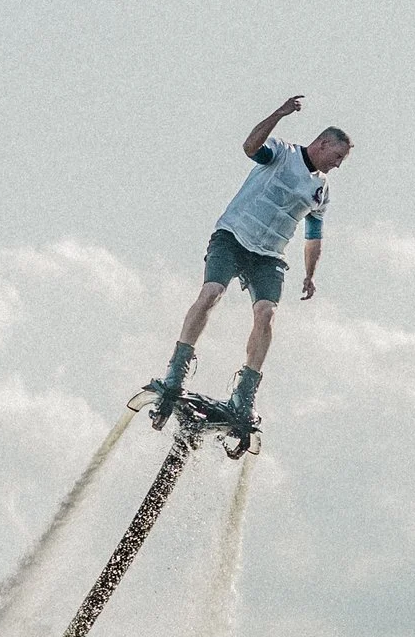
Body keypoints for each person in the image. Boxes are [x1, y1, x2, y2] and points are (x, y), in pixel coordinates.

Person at [142, 94, 352, 455]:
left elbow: (314, 236)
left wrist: (309, 275)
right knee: (211, 293)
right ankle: (177, 370)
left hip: (269, 255)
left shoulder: (321, 190)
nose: (338, 165)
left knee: (267, 315)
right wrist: (280, 114)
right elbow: (250, 146)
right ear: (322, 144)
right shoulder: (282, 153)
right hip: (234, 237)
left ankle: (245, 394)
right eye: (337, 157)